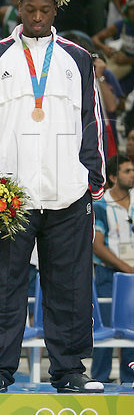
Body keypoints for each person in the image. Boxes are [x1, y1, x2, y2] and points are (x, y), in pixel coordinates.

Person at [0, 0, 106, 394]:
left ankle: (71, 370)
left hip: (67, 190)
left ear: (55, 11)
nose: (37, 17)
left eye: (44, 10)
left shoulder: (77, 59)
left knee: (71, 287)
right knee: (4, 287)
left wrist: (92, 181)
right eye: (29, 9)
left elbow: (90, 121)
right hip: (9, 195)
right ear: (18, 9)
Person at [91, 155, 134, 386]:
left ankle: (130, 380)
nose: (132, 174)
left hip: (133, 275)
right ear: (113, 177)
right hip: (110, 274)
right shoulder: (100, 204)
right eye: (128, 171)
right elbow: (97, 245)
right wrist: (126, 268)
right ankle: (100, 379)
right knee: (105, 330)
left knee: (131, 332)